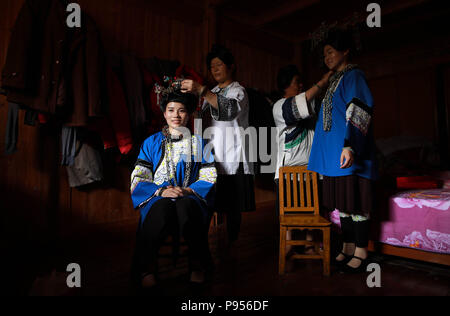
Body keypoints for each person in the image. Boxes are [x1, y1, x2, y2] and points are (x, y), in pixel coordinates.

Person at [130, 87, 217, 289]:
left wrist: (186, 191)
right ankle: (147, 269)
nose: (176, 115)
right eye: (171, 110)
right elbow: (139, 177)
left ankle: (196, 266)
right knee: (160, 210)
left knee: (186, 208)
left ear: (189, 114)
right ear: (164, 113)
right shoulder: (151, 143)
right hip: (157, 195)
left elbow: (209, 175)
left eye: (181, 110)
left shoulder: (200, 143)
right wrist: (160, 191)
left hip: (190, 195)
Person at [308, 29, 378, 273]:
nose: (327, 57)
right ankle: (347, 245)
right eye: (324, 53)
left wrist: (350, 145)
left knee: (356, 202)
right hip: (332, 154)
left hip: (348, 150)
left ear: (345, 51)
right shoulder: (332, 81)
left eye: (331, 51)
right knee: (343, 204)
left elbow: (359, 110)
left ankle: (361, 249)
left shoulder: (354, 75)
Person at [181, 44, 255, 244]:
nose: (215, 69)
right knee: (209, 201)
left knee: (232, 206)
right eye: (212, 66)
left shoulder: (238, 91)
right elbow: (202, 121)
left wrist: (202, 90)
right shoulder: (211, 91)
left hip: (232, 156)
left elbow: (229, 110)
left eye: (219, 65)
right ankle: (206, 244)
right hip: (211, 154)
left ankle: (231, 244)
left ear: (231, 66)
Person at [273, 65, 333, 253]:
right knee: (290, 209)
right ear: (285, 85)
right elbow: (298, 106)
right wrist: (322, 82)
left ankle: (309, 243)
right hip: (288, 169)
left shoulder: (309, 103)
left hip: (312, 167)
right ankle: (289, 244)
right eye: (296, 82)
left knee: (312, 208)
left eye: (300, 82)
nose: (300, 85)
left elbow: (320, 104)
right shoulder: (279, 106)